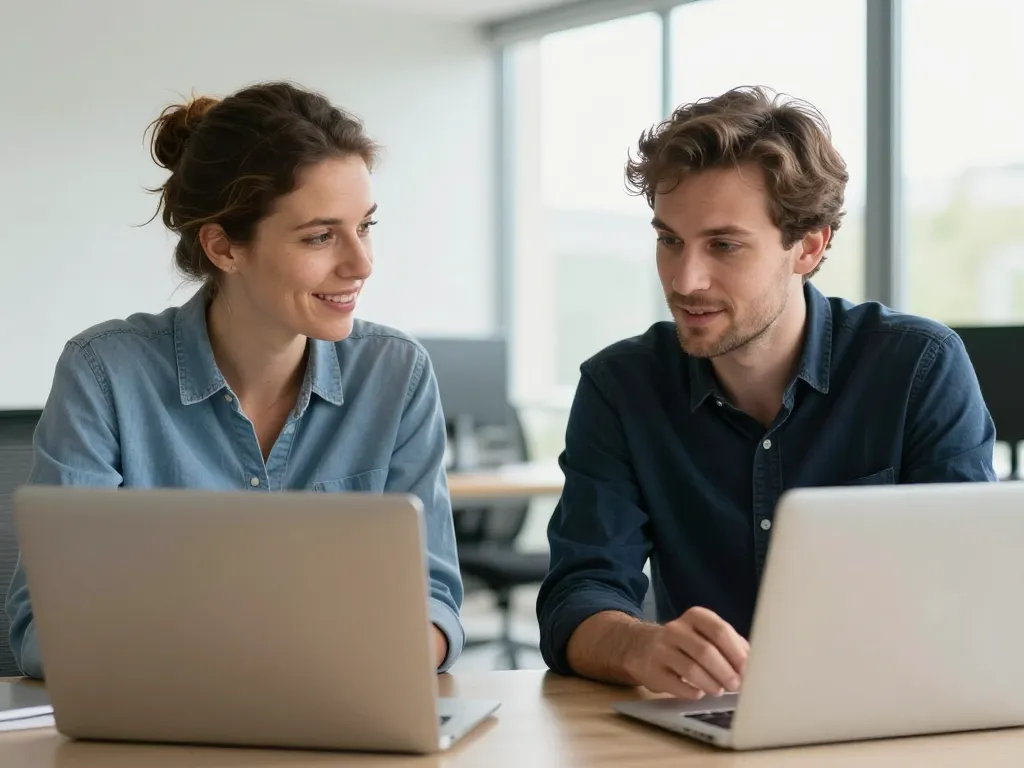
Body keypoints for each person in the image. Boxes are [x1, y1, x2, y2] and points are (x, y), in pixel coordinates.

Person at [536, 86, 996, 700]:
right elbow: (578, 594)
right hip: (706, 720)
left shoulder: (917, 367)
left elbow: (969, 589)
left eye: (723, 245)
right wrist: (638, 644)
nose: (684, 279)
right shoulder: (621, 387)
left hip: (887, 706)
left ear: (808, 246)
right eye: (669, 240)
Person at [5, 82, 464, 679]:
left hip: (343, 714)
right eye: (321, 236)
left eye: (365, 226)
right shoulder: (105, 374)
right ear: (223, 246)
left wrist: (367, 662)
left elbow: (435, 603)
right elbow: (45, 624)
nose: (361, 263)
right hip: (163, 724)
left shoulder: (396, 374)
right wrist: (251, 665)